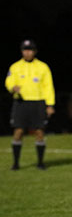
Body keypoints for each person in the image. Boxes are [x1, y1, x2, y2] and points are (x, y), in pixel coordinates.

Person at [5, 39, 55, 170]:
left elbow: (48, 87)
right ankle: (16, 163)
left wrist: (50, 105)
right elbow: (9, 81)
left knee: (39, 132)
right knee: (18, 131)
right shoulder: (15, 66)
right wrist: (12, 87)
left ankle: (40, 162)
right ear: (22, 51)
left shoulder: (43, 67)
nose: (27, 52)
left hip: (38, 102)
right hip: (21, 103)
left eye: (30, 50)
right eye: (25, 50)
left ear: (35, 51)